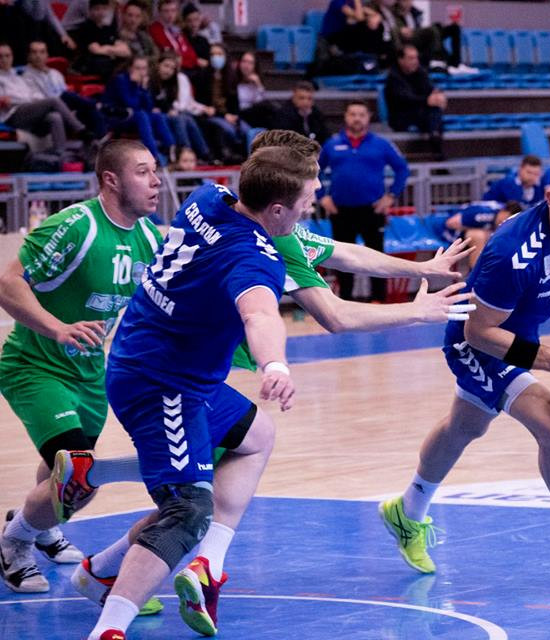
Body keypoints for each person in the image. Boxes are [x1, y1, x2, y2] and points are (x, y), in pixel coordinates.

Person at [78, 141, 317, 640]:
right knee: (187, 509)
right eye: (305, 201)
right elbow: (260, 313)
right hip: (162, 386)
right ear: (277, 209)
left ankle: (104, 569)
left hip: (158, 361)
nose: (310, 208)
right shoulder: (255, 259)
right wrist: (275, 363)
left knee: (256, 436)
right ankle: (108, 630)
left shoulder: (208, 198)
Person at [378, 149, 550, 576]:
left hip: (520, 336)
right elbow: (479, 332)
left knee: (465, 427)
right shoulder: (513, 252)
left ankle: (406, 512)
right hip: (477, 341)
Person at [0, 140, 162, 595]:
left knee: (64, 472)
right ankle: (14, 541)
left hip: (90, 374)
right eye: (143, 172)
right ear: (111, 180)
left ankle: (40, 524)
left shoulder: (149, 238)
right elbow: (8, 282)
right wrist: (57, 328)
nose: (156, 182)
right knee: (78, 475)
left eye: (156, 171)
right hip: (35, 366)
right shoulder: (77, 226)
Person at [319, 100, 409, 302]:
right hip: (340, 211)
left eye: (361, 114)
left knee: (376, 256)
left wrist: (391, 196)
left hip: (372, 210)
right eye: (353, 114)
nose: (357, 118)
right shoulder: (332, 144)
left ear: (368, 118)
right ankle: (344, 301)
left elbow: (402, 169)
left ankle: (378, 300)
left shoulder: (381, 144)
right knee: (342, 257)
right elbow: (313, 170)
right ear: (346, 117)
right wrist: (322, 197)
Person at [0, 42, 90, 162]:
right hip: (12, 115)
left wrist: (33, 101)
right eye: (1, 56)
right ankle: (80, 130)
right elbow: (8, 101)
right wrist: (24, 100)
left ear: (12, 56)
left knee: (55, 116)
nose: (4, 59)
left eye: (7, 55)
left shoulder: (17, 76)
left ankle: (60, 155)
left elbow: (30, 95)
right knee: (53, 101)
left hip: (28, 111)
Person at [22, 40, 107, 139]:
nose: (38, 56)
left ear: (47, 55)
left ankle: (100, 139)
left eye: (42, 52)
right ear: (28, 56)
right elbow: (37, 100)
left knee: (89, 110)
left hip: (66, 108)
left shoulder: (55, 73)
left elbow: (66, 93)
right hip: (48, 109)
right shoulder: (26, 77)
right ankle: (100, 106)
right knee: (70, 97)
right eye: (34, 52)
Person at [102, 55, 177, 165]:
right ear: (130, 68)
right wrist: (138, 87)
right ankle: (153, 156)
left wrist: (144, 88)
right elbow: (131, 104)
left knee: (157, 116)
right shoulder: (121, 80)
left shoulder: (143, 82)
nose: (141, 72)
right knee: (141, 115)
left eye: (144, 68)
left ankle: (171, 147)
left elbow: (149, 107)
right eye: (137, 68)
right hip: (117, 117)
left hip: (134, 118)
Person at [150, 51, 213, 162]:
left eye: (172, 68)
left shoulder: (171, 83)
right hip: (153, 115)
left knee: (186, 118)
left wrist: (169, 110)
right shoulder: (150, 80)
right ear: (158, 64)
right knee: (181, 118)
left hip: (165, 114)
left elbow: (169, 102)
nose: (168, 70)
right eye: (166, 66)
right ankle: (186, 153)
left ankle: (203, 154)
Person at [384, 44, 446, 157]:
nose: (415, 61)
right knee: (429, 112)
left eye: (416, 58)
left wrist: (438, 95)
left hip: (420, 112)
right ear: (401, 60)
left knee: (435, 110)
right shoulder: (393, 77)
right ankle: (435, 138)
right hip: (400, 115)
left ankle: (435, 136)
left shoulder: (420, 72)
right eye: (411, 58)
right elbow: (405, 99)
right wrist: (427, 100)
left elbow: (430, 89)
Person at [443, 200, 522, 269]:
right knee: (478, 235)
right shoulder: (485, 214)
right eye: (506, 219)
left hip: (465, 239)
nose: (505, 222)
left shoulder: (500, 216)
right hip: (448, 234)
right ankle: (474, 275)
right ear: (504, 211)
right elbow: (450, 223)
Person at [71, 0, 130, 81]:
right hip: (89, 64)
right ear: (90, 10)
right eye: (97, 9)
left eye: (104, 9)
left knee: (128, 61)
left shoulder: (108, 29)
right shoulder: (86, 28)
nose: (100, 12)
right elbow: (96, 50)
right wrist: (114, 51)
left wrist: (107, 49)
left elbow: (126, 51)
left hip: (108, 62)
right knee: (105, 63)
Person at [271, 81, 330, 145]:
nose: (305, 102)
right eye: (301, 98)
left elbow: (325, 135)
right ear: (294, 97)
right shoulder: (283, 114)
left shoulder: (316, 114)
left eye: (309, 99)